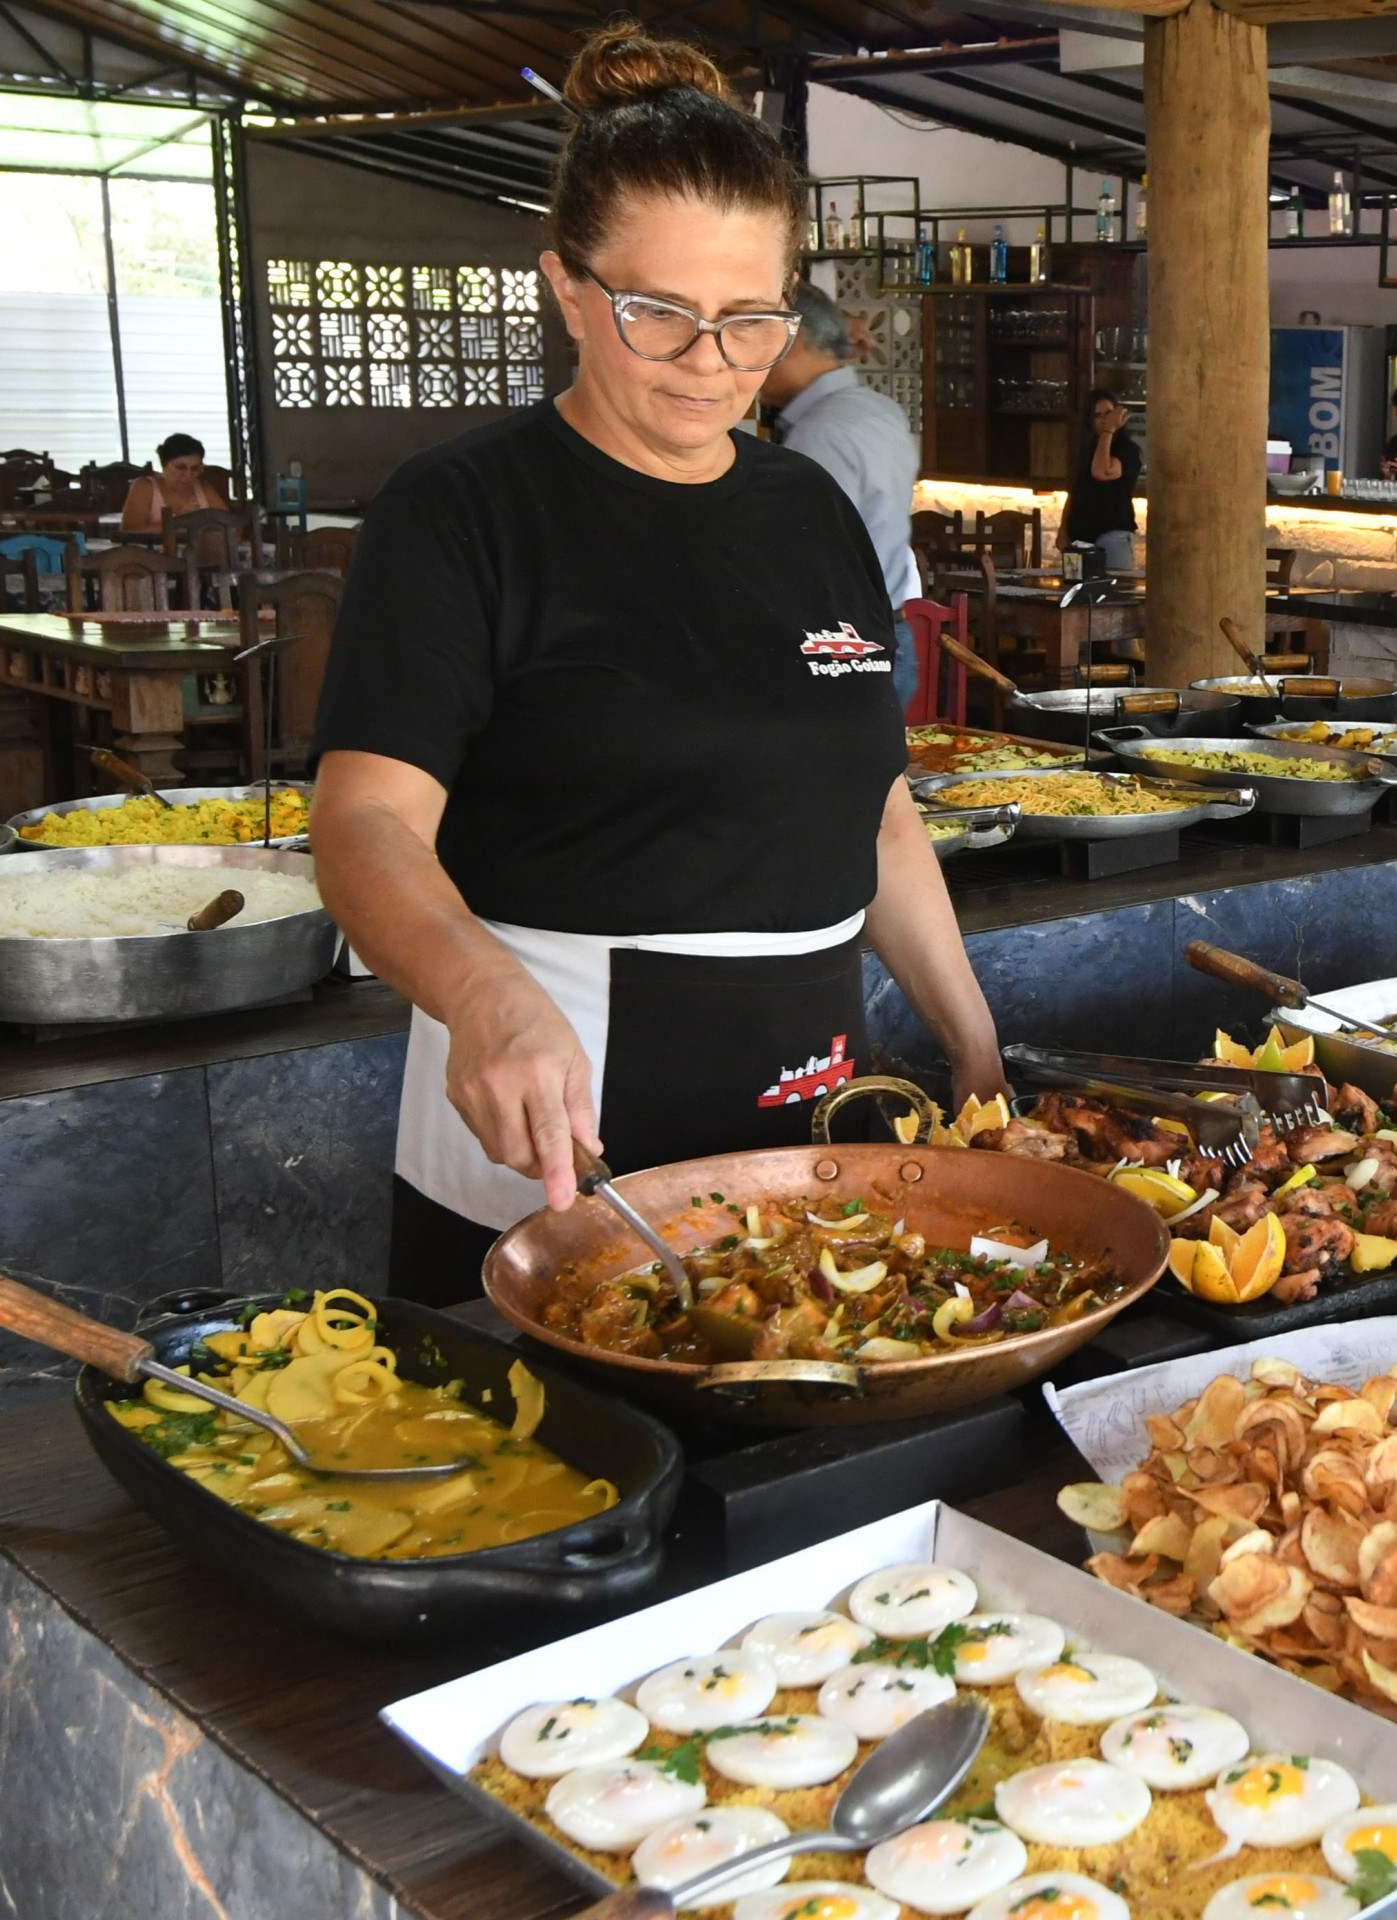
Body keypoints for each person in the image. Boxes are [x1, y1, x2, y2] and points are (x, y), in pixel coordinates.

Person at [307, 21, 1005, 1302]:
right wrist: (481, 997)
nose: (711, 366)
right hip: (554, 1123)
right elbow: (361, 822)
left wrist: (974, 1045)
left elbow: (878, 815)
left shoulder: (807, 509)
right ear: (566, 289)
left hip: (806, 1124)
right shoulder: (464, 510)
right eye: (658, 317)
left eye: (750, 323)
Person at [757, 279, 921, 706]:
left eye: (758, 342)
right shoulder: (879, 408)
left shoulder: (820, 432)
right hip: (888, 628)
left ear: (794, 345)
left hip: (842, 647)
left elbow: (808, 557)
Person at [1060, 390, 1140, 572]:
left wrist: (1109, 431)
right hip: (1079, 537)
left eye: (1109, 414)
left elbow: (1102, 471)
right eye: (1098, 415)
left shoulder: (1126, 449)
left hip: (1111, 536)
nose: (1105, 419)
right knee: (1076, 594)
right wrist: (1063, 529)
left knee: (1113, 594)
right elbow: (1075, 492)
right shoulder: (1085, 449)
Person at [121, 433, 230, 537]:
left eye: (195, 469)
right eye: (180, 467)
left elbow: (231, 526)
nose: (188, 474)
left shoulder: (204, 489)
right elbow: (129, 531)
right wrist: (180, 522)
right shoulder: (145, 487)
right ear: (164, 465)